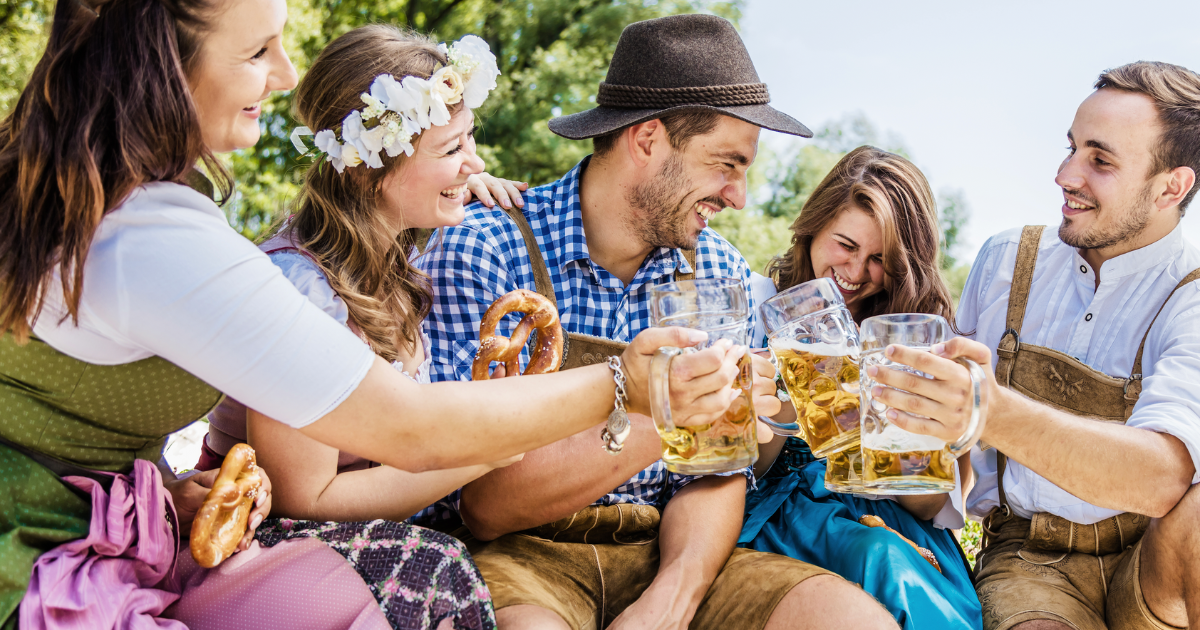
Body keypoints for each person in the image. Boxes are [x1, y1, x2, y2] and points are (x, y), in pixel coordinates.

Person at [0, 0, 742, 626]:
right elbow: (407, 429)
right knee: (431, 570)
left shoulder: (127, 206)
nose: (287, 74)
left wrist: (456, 181)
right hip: (42, 554)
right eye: (259, 50)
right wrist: (630, 387)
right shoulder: (176, 244)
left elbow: (70, 402)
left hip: (132, 513)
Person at [420, 14, 900, 630]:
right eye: (726, 164)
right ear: (647, 140)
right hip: (518, 556)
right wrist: (663, 407)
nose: (739, 197)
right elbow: (485, 508)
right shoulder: (486, 249)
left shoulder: (719, 270)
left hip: (669, 552)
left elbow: (715, 473)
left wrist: (669, 602)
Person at [883, 61, 1200, 630]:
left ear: (1170, 187)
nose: (1064, 174)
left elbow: (1162, 479)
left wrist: (988, 409)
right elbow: (946, 467)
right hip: (1032, 560)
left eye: (1099, 160)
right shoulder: (1006, 260)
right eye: (1071, 148)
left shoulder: (1192, 294)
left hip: (1154, 565)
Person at [738, 146, 981, 630]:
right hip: (779, 515)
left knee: (885, 560)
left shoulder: (920, 340)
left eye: (878, 260)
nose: (854, 272)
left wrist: (890, 443)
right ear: (814, 226)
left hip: (891, 522)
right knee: (868, 560)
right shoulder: (756, 304)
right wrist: (794, 409)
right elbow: (745, 473)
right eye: (845, 245)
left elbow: (935, 503)